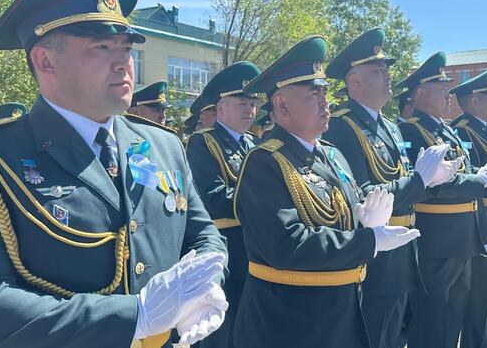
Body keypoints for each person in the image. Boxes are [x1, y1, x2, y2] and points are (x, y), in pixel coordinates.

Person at [0, 0, 228, 347]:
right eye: (101, 48)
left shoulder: (163, 145)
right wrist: (135, 317)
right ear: (45, 61)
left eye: (126, 49)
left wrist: (205, 282)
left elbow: (204, 234)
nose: (124, 63)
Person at [233, 35, 421, 348]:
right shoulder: (265, 161)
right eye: (313, 93)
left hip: (341, 310)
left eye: (324, 91)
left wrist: (366, 219)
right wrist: (368, 240)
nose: (325, 101)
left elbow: (345, 213)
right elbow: (286, 244)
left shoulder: (331, 154)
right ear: (281, 104)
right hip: (292, 322)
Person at [322, 28, 459, 348]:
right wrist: (419, 181)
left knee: (393, 334)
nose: (387, 76)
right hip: (375, 253)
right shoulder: (342, 125)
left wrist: (431, 181)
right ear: (354, 81)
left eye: (387, 69)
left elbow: (400, 178)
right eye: (377, 70)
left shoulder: (389, 126)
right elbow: (364, 193)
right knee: (374, 334)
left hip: (402, 246)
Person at [398, 55, 487, 348]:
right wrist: (478, 180)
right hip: (436, 238)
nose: (448, 94)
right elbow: (435, 185)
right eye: (441, 88)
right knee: (432, 319)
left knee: (452, 315)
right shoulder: (411, 130)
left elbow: (461, 175)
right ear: (421, 94)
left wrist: (479, 177)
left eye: (447, 87)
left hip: (461, 236)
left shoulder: (446, 130)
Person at [185, 61, 261, 348]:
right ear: (220, 108)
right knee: (221, 332)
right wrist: (265, 201)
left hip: (255, 247)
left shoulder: (255, 145)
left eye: (252, 103)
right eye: (241, 103)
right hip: (227, 247)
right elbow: (213, 198)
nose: (249, 109)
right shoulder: (203, 142)